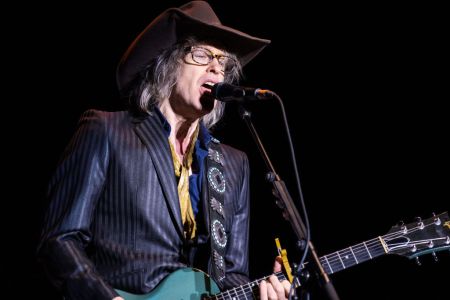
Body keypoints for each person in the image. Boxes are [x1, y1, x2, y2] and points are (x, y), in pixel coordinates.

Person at [37, 1, 291, 299]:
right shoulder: (107, 131)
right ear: (168, 63)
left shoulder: (234, 164)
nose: (216, 69)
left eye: (223, 63)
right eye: (202, 54)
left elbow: (230, 277)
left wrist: (265, 292)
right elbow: (59, 239)